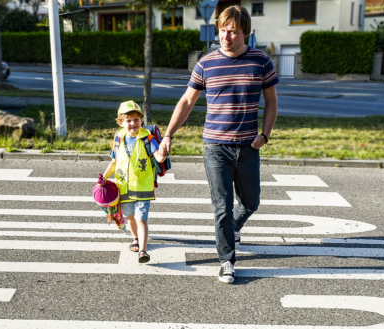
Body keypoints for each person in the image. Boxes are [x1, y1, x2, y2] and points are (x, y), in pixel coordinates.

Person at [159, 5, 278, 284]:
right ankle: (226, 260)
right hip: (215, 147)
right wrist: (168, 135)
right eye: (223, 30)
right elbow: (187, 102)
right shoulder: (206, 64)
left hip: (249, 146)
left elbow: (271, 101)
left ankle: (234, 228)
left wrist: (265, 135)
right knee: (221, 205)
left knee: (251, 202)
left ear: (245, 33)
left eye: (233, 31)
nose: (226, 36)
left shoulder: (261, 61)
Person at [102, 100, 167, 263]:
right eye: (128, 120)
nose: (133, 123)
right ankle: (136, 239)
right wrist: (104, 177)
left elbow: (157, 156)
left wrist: (163, 155)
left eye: (136, 120)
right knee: (130, 217)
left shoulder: (147, 138)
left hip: (143, 188)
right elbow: (114, 162)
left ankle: (143, 251)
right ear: (121, 122)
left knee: (141, 219)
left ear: (141, 121)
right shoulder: (118, 138)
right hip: (123, 188)